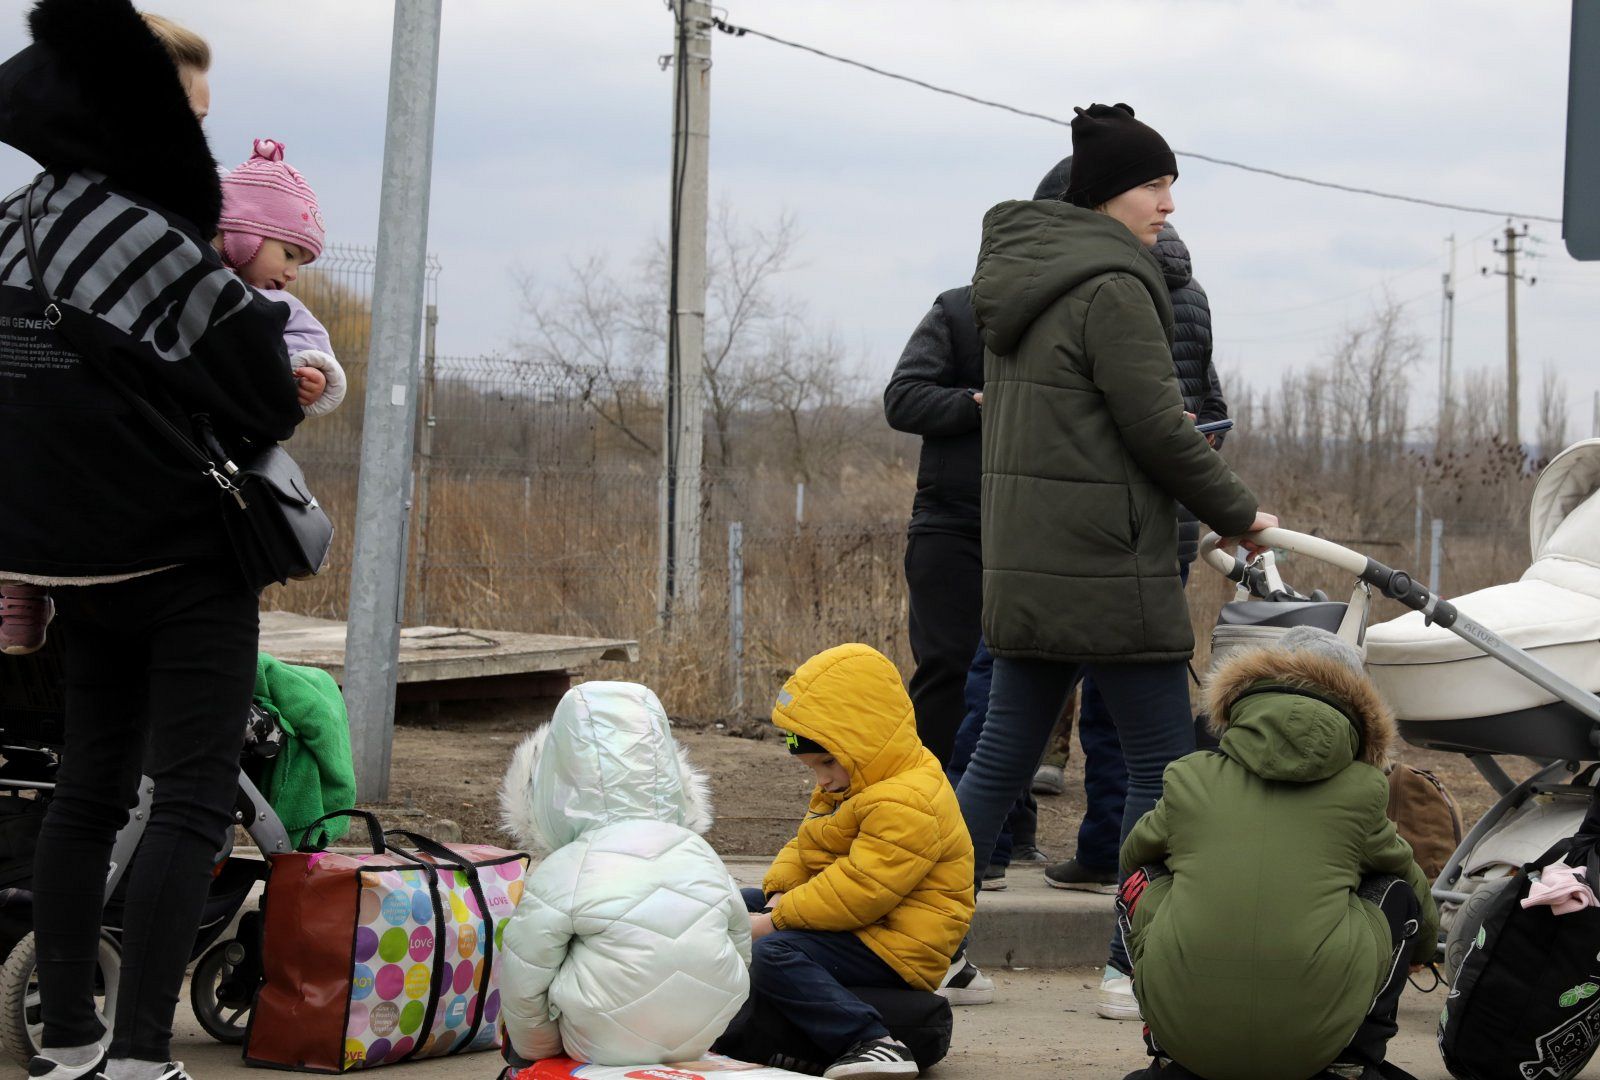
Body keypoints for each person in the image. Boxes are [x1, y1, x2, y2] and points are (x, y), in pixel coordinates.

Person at [0, 3, 306, 1079]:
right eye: (191, 111)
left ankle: (75, 1042)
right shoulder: (144, 234)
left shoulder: (16, 222)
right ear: (134, 106)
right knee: (188, 798)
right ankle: (142, 1056)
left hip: (68, 560)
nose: (200, 137)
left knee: (86, 792)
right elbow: (262, 394)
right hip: (181, 555)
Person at [958, 102, 1276, 1021]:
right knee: (1158, 767)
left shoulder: (1019, 283)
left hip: (1029, 561)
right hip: (1108, 562)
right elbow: (1157, 428)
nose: (1168, 205)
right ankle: (1128, 968)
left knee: (995, 764)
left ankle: (922, 946)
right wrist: (1239, 512)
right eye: (1155, 184)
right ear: (1104, 195)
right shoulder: (1115, 286)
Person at [0, 135, 346, 657]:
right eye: (288, 252)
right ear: (245, 234)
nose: (292, 273)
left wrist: (308, 371)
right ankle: (20, 598)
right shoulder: (178, 268)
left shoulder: (276, 303)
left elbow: (310, 346)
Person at [1023, 156, 1234, 898]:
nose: (1168, 206)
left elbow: (1146, 420)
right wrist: (1204, 451)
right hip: (1159, 530)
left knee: (1018, 722)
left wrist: (1214, 486)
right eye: (1158, 190)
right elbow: (1204, 404)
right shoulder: (1184, 293)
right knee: (1142, 728)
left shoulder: (1087, 289)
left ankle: (973, 889)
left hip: (1091, 536)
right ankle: (1127, 881)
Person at [1118, 627, 1438, 1080]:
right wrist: (1425, 945)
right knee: (1394, 890)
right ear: (1357, 708)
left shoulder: (1190, 777)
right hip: (1314, 1042)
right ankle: (1351, 1060)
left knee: (1144, 877)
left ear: (1247, 692)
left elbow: (1133, 857)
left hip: (1192, 1042)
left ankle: (1167, 1048)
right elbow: (1413, 891)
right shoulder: (1363, 789)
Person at [496, 682, 751, 1066]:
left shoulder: (568, 866)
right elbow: (740, 941)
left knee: (546, 958)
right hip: (701, 1032)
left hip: (599, 1036)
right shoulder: (701, 854)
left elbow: (525, 972)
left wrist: (537, 1050)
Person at [753, 644, 974, 1079]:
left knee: (773, 952)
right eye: (811, 766)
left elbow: (862, 889)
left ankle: (871, 1041)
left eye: (827, 762)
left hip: (897, 945)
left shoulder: (907, 800)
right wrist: (777, 892)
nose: (822, 778)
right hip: (865, 925)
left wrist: (775, 920)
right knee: (736, 905)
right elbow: (806, 848)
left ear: (864, 737)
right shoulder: (858, 779)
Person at [883, 285, 984, 768]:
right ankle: (925, 807)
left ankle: (1014, 830)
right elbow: (902, 398)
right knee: (948, 670)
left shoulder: (1078, 309)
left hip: (1039, 526)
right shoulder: (958, 310)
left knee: (1016, 684)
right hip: (952, 522)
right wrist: (976, 403)